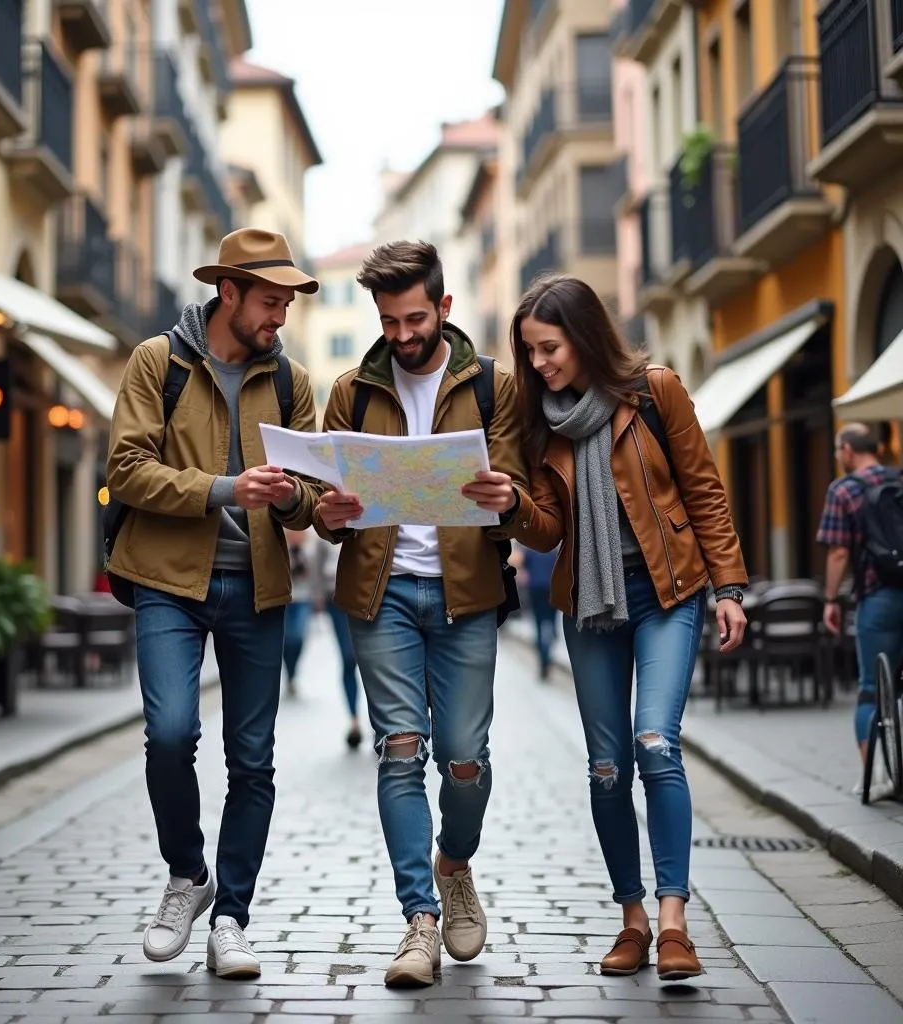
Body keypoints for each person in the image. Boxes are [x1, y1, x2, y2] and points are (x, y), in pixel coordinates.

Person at [508, 273, 748, 982]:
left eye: (548, 348)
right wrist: (512, 506)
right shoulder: (540, 421)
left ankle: (674, 920)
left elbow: (703, 486)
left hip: (669, 591)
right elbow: (549, 532)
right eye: (530, 354)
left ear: (583, 336)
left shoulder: (654, 390)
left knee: (655, 744)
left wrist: (730, 585)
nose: (540, 364)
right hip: (591, 603)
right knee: (607, 767)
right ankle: (633, 919)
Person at [314, 240, 529, 988]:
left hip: (466, 597)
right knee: (400, 750)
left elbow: (525, 501)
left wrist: (508, 502)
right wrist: (330, 512)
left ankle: (455, 862)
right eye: (388, 322)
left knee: (464, 762)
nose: (402, 337)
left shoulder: (493, 386)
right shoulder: (351, 390)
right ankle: (420, 922)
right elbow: (325, 510)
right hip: (381, 598)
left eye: (414, 319)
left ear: (442, 307)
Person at [106, 228, 320, 979]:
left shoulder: (290, 381)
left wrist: (298, 494)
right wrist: (224, 489)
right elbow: (126, 469)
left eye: (287, 303)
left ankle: (230, 915)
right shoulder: (156, 363)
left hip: (258, 588)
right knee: (169, 733)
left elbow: (307, 499)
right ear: (228, 291)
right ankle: (186, 874)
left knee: (252, 761)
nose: (281, 317)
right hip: (168, 581)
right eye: (270, 301)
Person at [817, 422, 903, 797]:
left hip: (878, 595)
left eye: (838, 450)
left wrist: (831, 599)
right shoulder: (899, 480)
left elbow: (838, 552)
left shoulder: (844, 489)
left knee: (871, 686)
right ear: (879, 449)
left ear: (848, 450)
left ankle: (878, 777)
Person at [312, 540, 364, 748]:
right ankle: (354, 721)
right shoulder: (328, 515)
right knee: (349, 658)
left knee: (374, 662)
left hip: (367, 593)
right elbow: (317, 563)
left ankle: (382, 725)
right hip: (335, 597)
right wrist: (317, 594)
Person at [282, 528, 316, 696]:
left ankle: (293, 671)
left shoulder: (310, 551)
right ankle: (290, 674)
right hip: (285, 600)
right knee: (287, 640)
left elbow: (316, 576)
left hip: (304, 599)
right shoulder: (282, 549)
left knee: (299, 637)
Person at [521, 543, 560, 679]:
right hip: (551, 590)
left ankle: (543, 660)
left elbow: (525, 569)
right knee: (550, 620)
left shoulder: (530, 551)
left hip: (535, 590)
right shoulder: (554, 552)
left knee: (538, 624)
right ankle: (551, 637)